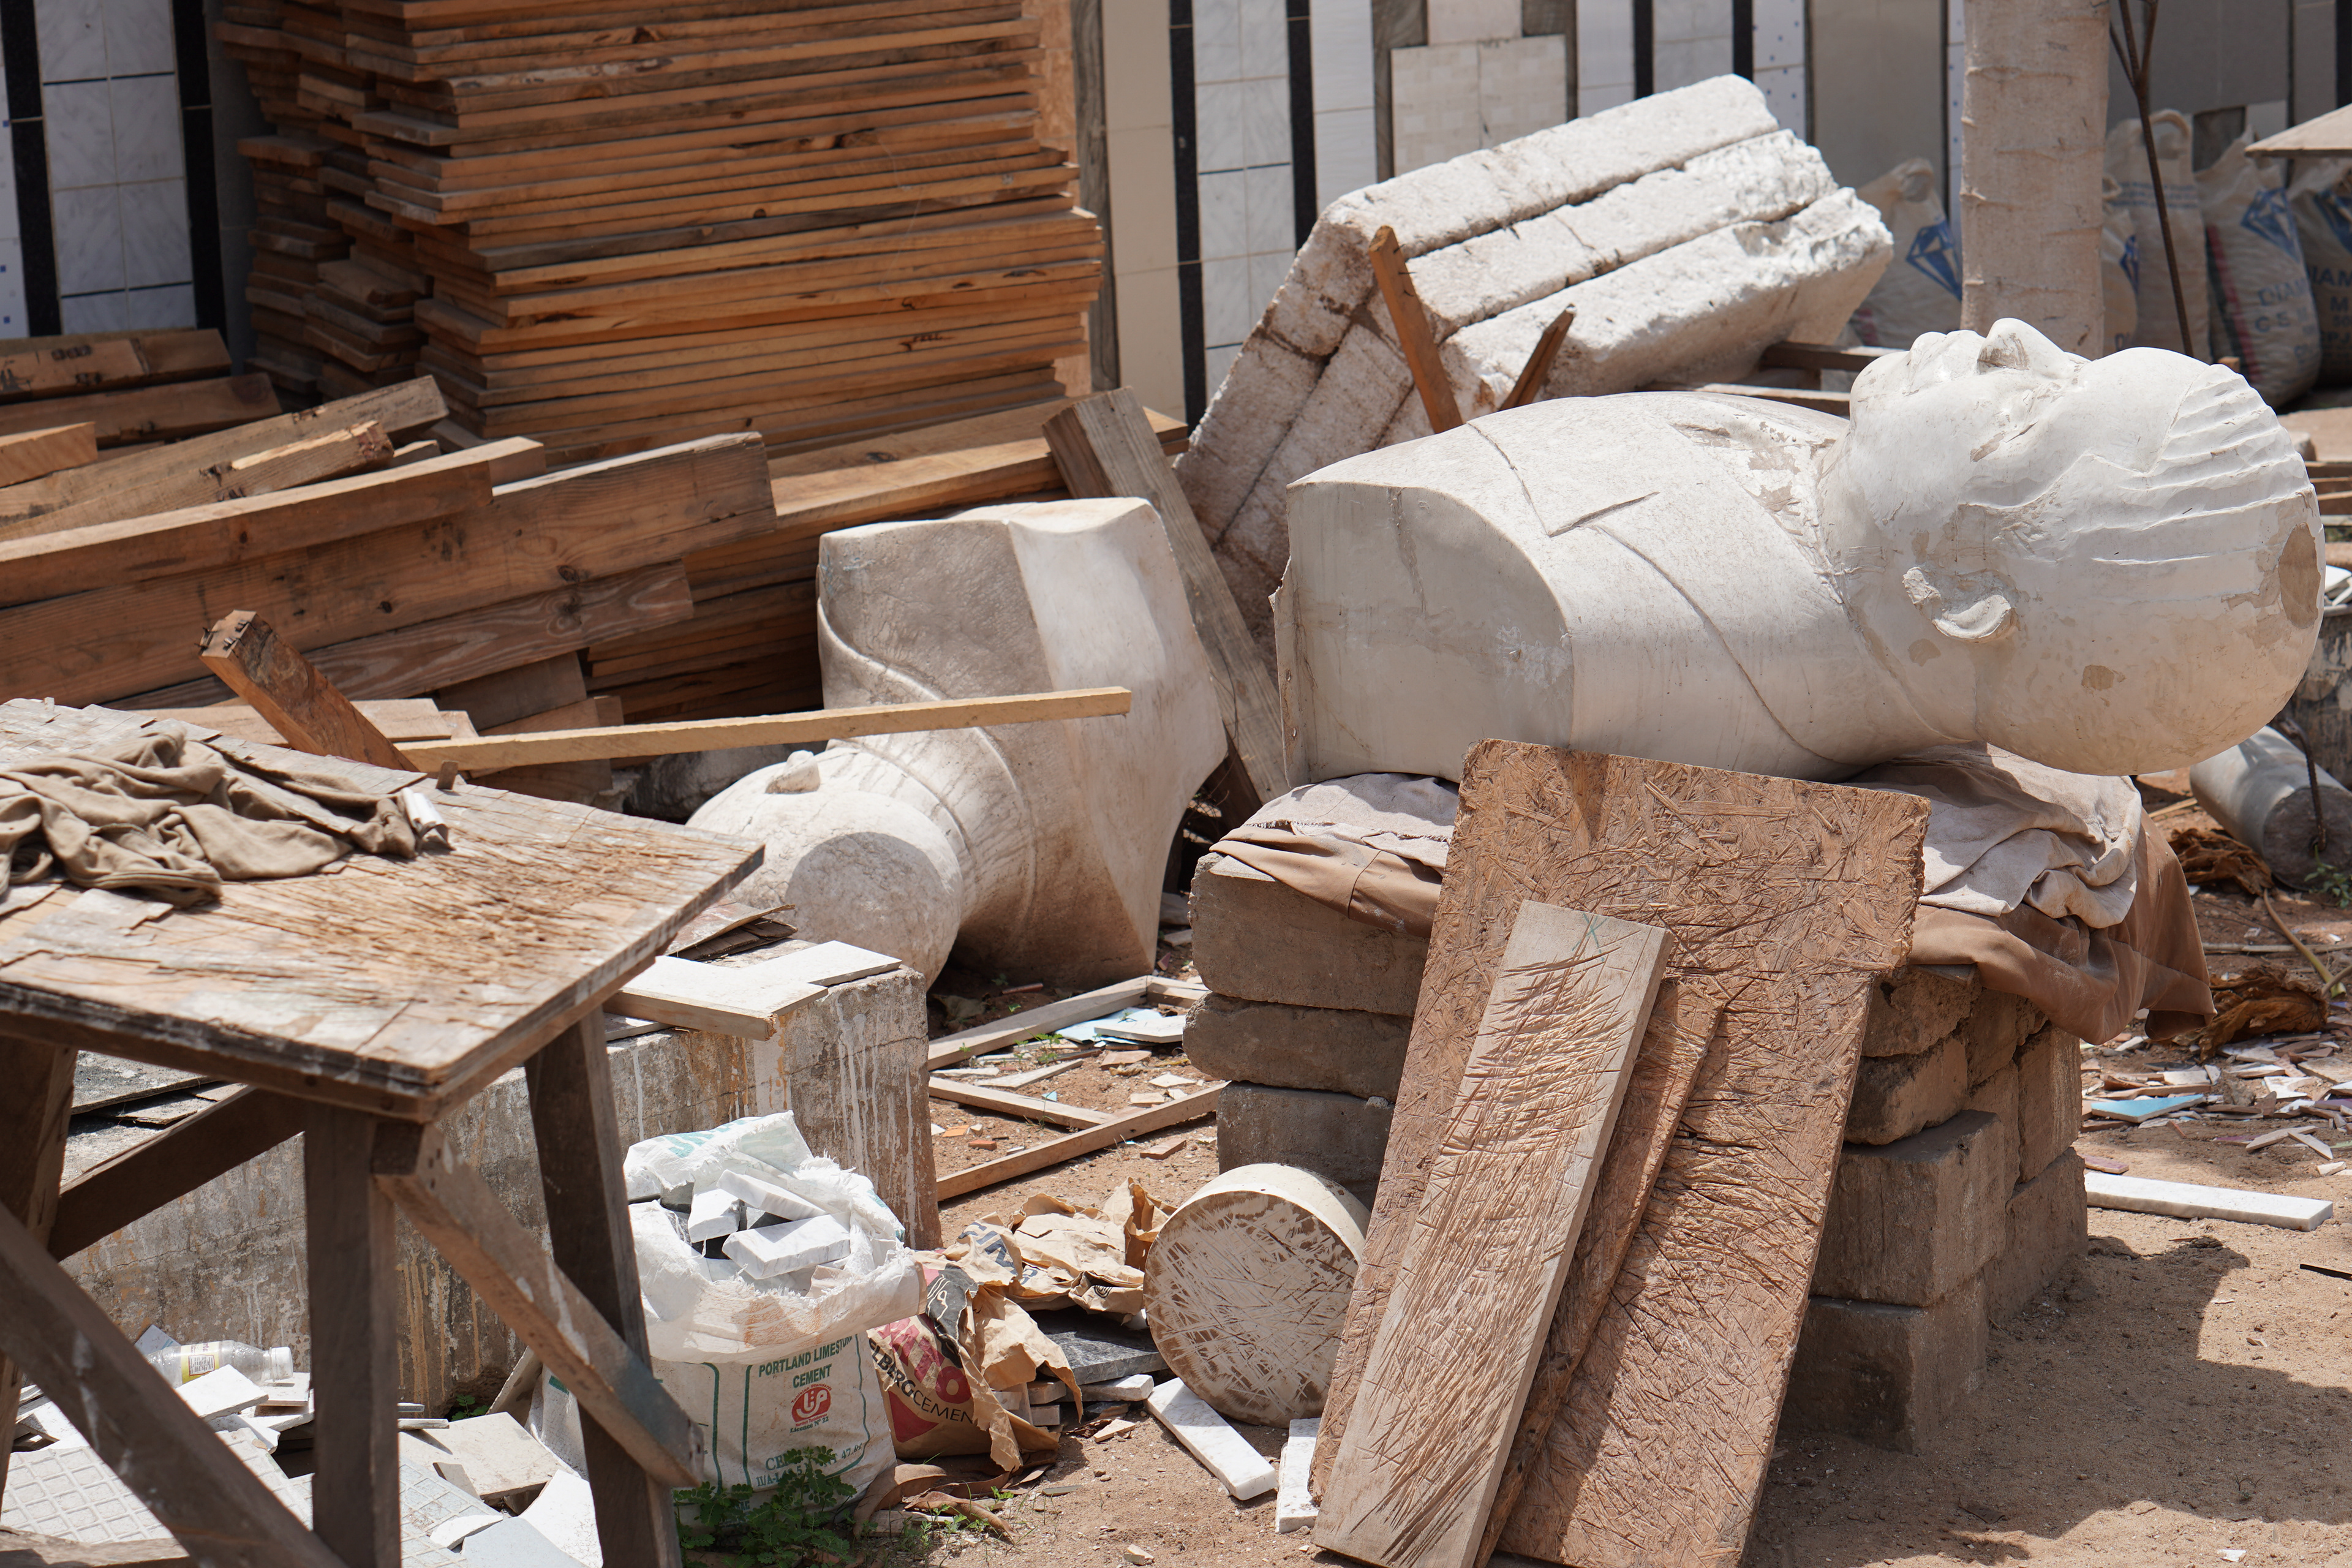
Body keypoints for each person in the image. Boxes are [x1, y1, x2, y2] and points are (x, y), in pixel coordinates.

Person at [1280, 318, 2320, 783]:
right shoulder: (1867, 506)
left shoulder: (1578, 610)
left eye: (2033, 413)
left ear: (1960, 592)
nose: (2015, 337)